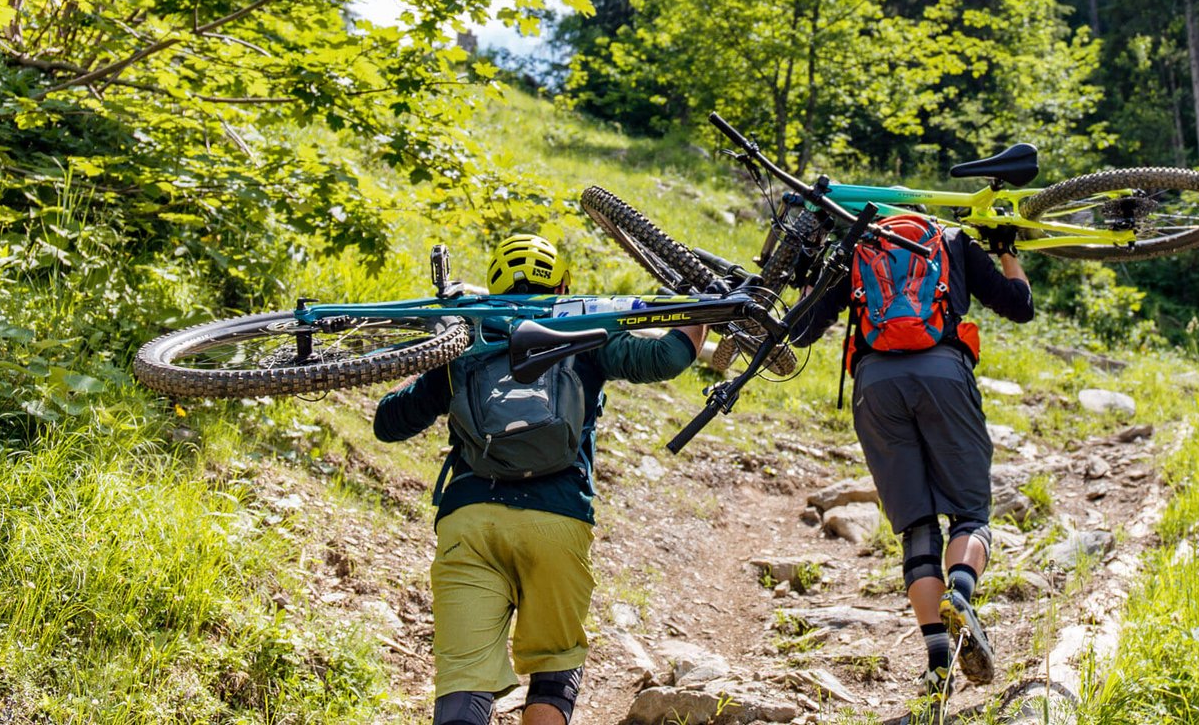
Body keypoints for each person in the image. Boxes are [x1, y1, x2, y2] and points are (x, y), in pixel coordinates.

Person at [374, 233, 707, 725]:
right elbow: (669, 357)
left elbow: (389, 423)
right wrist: (700, 311)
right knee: (553, 669)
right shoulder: (583, 328)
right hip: (558, 518)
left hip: (470, 521)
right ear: (563, 285)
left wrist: (429, 361)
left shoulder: (469, 336)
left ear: (493, 287)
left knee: (464, 684)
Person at [790, 218, 1033, 707]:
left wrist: (808, 273)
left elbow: (801, 330)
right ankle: (959, 592)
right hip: (944, 374)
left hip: (876, 386)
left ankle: (938, 662)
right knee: (970, 515)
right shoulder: (953, 240)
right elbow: (1019, 306)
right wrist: (1007, 250)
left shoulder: (858, 247)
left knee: (918, 528)